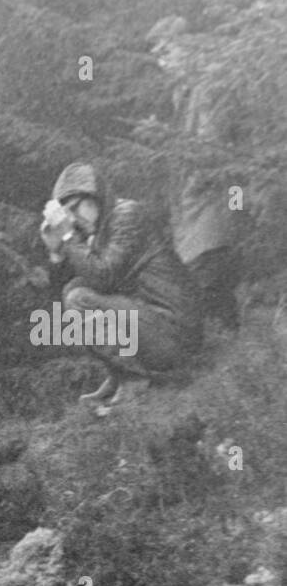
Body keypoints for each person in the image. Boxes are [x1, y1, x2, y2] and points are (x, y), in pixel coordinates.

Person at [39, 161, 199, 413]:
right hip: (151, 324)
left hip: (174, 330)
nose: (73, 218)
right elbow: (60, 294)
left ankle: (135, 378)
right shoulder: (96, 231)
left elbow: (104, 276)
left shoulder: (127, 215)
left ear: (94, 197)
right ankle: (120, 375)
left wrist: (69, 238)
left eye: (74, 207)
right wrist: (56, 252)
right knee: (74, 290)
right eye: (66, 212)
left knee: (80, 298)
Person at [147, 15, 246, 335]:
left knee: (207, 289)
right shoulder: (184, 92)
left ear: (186, 48)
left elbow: (212, 150)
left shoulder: (204, 90)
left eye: (167, 50)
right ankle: (234, 358)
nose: (161, 60)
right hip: (194, 215)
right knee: (212, 294)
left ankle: (231, 363)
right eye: (157, 53)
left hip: (209, 210)